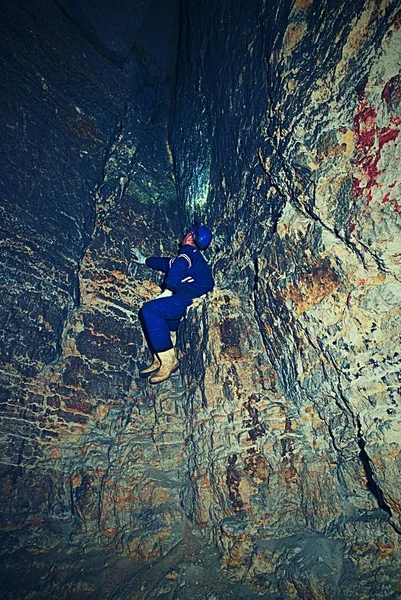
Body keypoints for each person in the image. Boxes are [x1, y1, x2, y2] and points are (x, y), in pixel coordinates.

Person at [130, 223, 214, 384]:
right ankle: (159, 359)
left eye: (187, 233)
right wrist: (145, 260)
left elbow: (177, 267)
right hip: (188, 298)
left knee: (150, 310)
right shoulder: (192, 258)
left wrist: (168, 290)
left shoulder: (188, 254)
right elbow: (166, 263)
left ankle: (169, 361)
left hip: (190, 298)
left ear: (190, 237)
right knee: (166, 321)